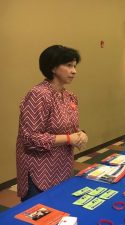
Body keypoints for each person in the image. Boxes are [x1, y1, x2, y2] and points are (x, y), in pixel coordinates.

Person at [16, 45, 88, 201]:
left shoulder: (70, 96)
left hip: (63, 167)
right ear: (53, 67)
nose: (74, 71)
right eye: (69, 65)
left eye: (75, 66)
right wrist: (69, 139)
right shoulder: (38, 94)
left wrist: (81, 134)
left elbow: (70, 127)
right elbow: (30, 138)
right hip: (40, 172)